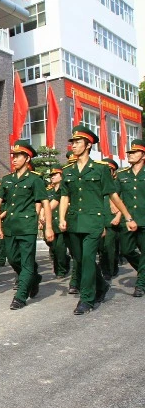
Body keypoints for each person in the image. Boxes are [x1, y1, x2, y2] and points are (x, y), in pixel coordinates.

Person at [59, 125, 136, 314]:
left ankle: (86, 299)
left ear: (88, 145)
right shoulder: (67, 171)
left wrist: (127, 217)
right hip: (74, 221)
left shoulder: (100, 169)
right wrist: (61, 217)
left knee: (87, 258)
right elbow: (64, 197)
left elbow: (113, 195)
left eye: (77, 143)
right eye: (73, 143)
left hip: (94, 221)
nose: (74, 146)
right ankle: (102, 285)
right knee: (80, 259)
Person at [0, 140, 54, 310]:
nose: (14, 159)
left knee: (26, 262)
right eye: (13, 156)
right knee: (13, 259)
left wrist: (48, 226)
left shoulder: (35, 180)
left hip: (27, 226)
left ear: (27, 158)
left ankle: (20, 296)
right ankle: (33, 278)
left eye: (18, 156)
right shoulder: (7, 179)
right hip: (11, 226)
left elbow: (45, 203)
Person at [116, 140, 145, 297]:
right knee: (127, 250)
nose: (130, 155)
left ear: (143, 155)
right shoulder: (122, 175)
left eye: (134, 152)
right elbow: (115, 195)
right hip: (128, 221)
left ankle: (140, 284)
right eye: (129, 152)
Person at [43, 164, 71, 278]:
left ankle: (61, 270)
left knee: (60, 247)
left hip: (62, 222)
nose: (52, 177)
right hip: (51, 223)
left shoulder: (65, 189)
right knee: (53, 248)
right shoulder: (48, 191)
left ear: (61, 175)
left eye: (55, 174)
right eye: (51, 175)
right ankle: (60, 264)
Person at [98, 158, 121, 281]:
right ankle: (105, 268)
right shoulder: (98, 183)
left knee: (110, 247)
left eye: (110, 170)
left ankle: (109, 270)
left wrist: (118, 216)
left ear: (113, 172)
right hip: (100, 219)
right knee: (101, 247)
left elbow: (123, 201)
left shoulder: (117, 183)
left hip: (112, 220)